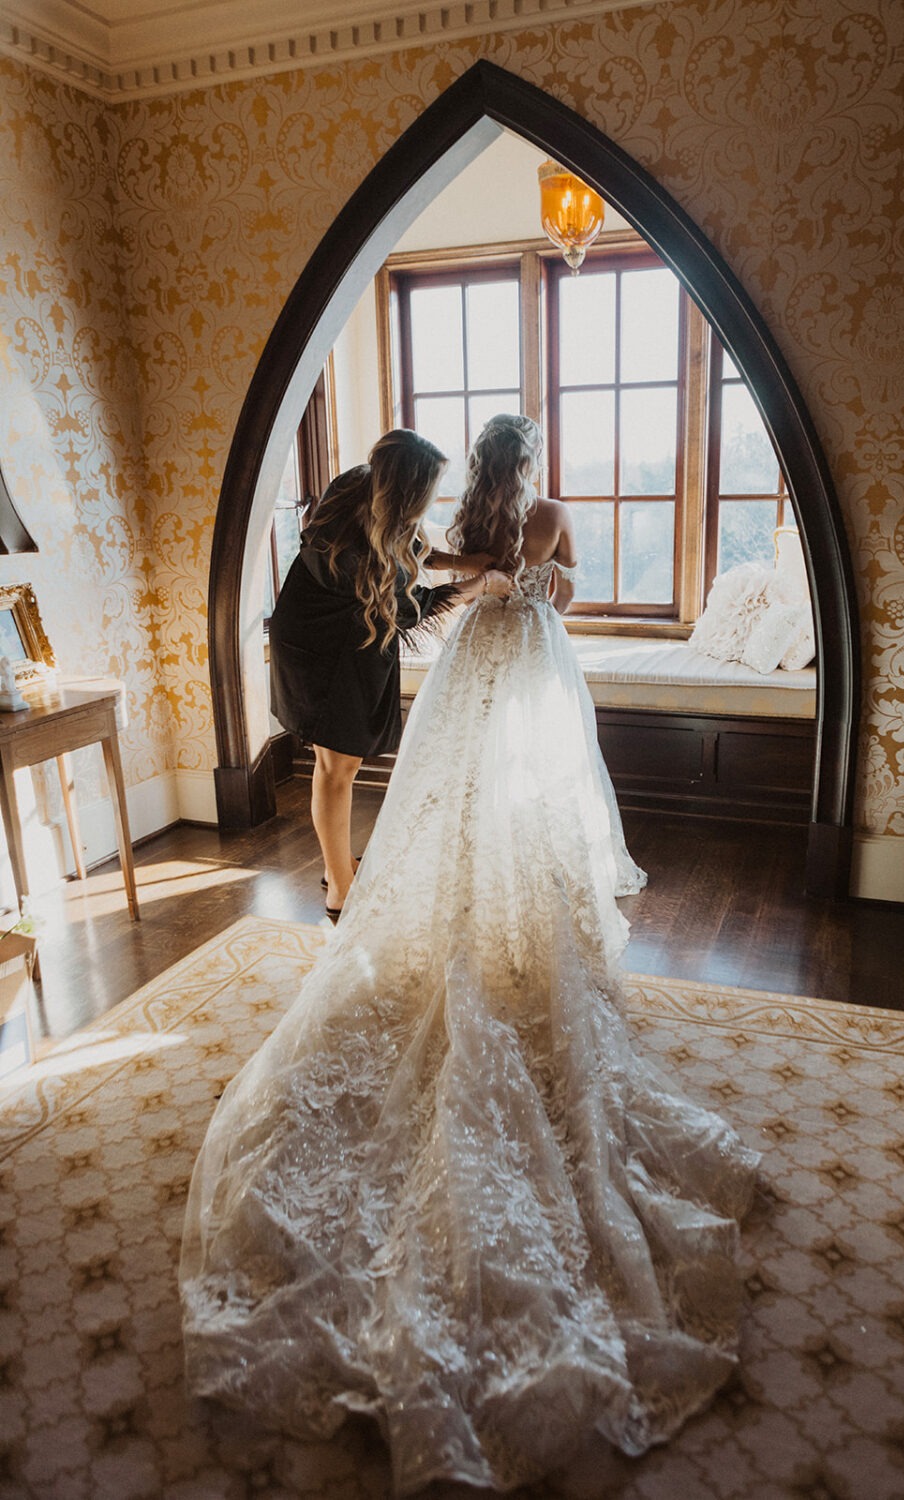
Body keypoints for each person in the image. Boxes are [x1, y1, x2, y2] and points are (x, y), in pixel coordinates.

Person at [181, 415, 759, 1495]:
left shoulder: (463, 522)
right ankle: (445, 905)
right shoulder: (528, 520)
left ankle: (411, 900)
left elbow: (427, 586)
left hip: (477, 674)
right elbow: (557, 597)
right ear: (528, 465)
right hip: (522, 670)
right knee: (515, 803)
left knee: (462, 806)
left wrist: (466, 582)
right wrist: (520, 587)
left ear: (481, 470)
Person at [268, 428, 508, 916]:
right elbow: (409, 609)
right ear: (406, 490)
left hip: (345, 638)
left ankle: (339, 864)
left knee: (337, 765)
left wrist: (459, 561)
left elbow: (407, 547)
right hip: (323, 649)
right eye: (428, 491)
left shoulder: (361, 483)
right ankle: (339, 887)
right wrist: (482, 583)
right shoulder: (357, 547)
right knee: (338, 769)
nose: (433, 500)